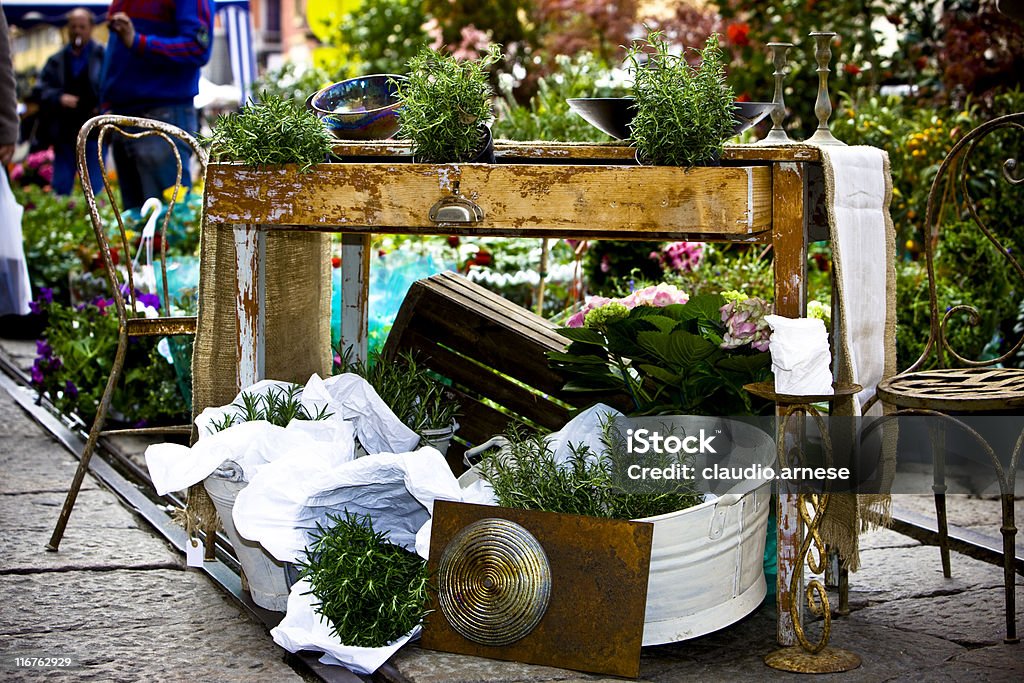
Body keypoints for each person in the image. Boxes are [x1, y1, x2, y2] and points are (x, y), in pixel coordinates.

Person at [102, 0, 213, 210]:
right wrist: (106, 103)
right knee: (137, 228)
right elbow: (116, 50)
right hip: (124, 115)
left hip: (162, 113)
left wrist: (138, 42)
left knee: (169, 224)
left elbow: (197, 48)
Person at [36, 8, 105, 196]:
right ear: (68, 29)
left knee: (95, 187)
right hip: (64, 131)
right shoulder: (56, 60)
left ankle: (96, 221)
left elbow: (114, 86)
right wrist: (59, 97)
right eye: (73, 26)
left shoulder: (103, 56)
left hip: (94, 131)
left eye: (82, 27)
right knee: (61, 185)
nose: (77, 31)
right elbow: (40, 90)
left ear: (91, 28)